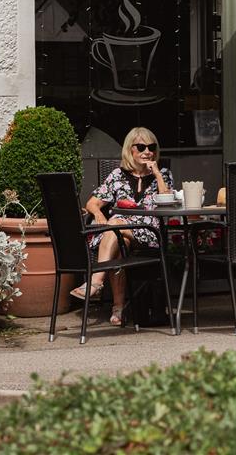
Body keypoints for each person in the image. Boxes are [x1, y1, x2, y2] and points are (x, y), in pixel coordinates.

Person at [76, 127, 169, 326]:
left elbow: (167, 201)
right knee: (119, 240)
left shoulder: (162, 175)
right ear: (130, 150)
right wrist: (99, 213)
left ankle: (96, 280)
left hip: (149, 231)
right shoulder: (117, 175)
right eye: (141, 147)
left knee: (115, 225)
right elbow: (92, 203)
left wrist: (157, 175)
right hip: (117, 231)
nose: (147, 152)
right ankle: (117, 310)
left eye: (151, 147)